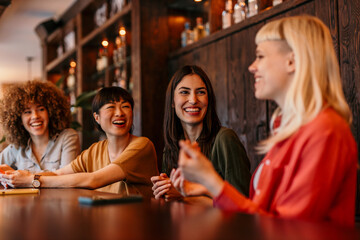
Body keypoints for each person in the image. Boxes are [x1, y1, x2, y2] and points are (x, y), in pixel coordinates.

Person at [175, 16, 358, 226]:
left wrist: (212, 181)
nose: (252, 67)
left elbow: (286, 229)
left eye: (260, 56)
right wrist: (207, 189)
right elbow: (262, 212)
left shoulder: (325, 131)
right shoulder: (287, 129)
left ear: (292, 61)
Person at [0, 87, 159, 197]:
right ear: (96, 118)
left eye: (126, 107)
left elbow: (93, 180)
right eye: (111, 107)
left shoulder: (142, 145)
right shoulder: (96, 150)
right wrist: (17, 176)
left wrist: (31, 181)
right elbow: (58, 173)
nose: (119, 113)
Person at [151, 65, 251, 200]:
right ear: (172, 102)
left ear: (208, 100)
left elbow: (241, 205)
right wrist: (163, 191)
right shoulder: (172, 147)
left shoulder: (225, 139)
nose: (193, 100)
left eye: (201, 92)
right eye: (184, 92)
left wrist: (183, 196)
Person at [0, 80, 80, 173]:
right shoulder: (17, 148)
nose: (35, 116)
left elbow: (67, 177)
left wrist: (26, 178)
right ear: (18, 119)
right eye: (27, 112)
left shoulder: (67, 137)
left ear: (50, 112)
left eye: (41, 109)